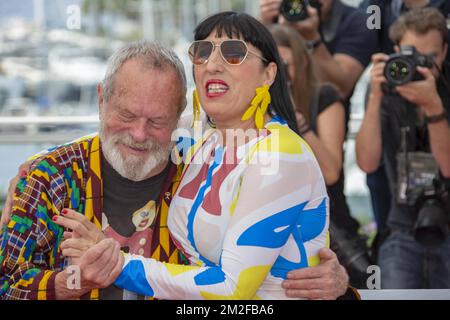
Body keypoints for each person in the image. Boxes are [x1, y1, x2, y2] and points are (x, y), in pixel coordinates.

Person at [0, 38, 349, 299]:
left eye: (157, 121)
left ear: (180, 113)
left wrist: (334, 282)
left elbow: (253, 276)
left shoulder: (204, 172)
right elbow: (6, 282)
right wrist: (70, 283)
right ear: (101, 99)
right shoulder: (50, 175)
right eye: (125, 115)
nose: (138, 134)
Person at [268, 24, 372, 288]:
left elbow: (330, 172)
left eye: (285, 65)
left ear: (301, 64)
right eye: (272, 66)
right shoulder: (253, 108)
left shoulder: (322, 96)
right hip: (275, 233)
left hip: (327, 230)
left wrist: (297, 122)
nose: (280, 76)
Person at [356, 8, 450, 288]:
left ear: (445, 51)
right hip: (401, 231)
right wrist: (374, 98)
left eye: (429, 58)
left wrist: (434, 108)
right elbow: (367, 163)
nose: (419, 67)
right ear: (396, 51)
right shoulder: (385, 91)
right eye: (411, 56)